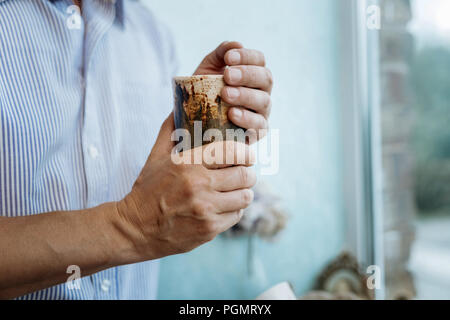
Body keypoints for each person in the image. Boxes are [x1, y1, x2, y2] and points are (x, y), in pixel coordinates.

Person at [0, 0, 273, 299]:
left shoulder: (153, 35)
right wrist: (132, 225)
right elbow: (146, 216)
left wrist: (208, 121)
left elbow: (167, 188)